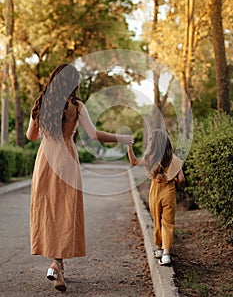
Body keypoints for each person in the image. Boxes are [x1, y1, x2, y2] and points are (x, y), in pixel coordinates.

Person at [26, 63, 134, 292]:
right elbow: (94, 135)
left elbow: (31, 136)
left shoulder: (41, 102)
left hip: (45, 160)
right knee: (65, 211)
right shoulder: (76, 106)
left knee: (48, 210)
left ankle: (56, 265)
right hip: (67, 160)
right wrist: (120, 138)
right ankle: (58, 265)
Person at [127, 129, 185, 266]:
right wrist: (174, 183)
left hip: (155, 191)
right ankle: (166, 253)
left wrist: (129, 146)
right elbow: (181, 179)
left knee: (157, 220)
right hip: (169, 191)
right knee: (168, 222)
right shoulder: (173, 159)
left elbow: (134, 162)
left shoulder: (151, 158)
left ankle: (159, 248)